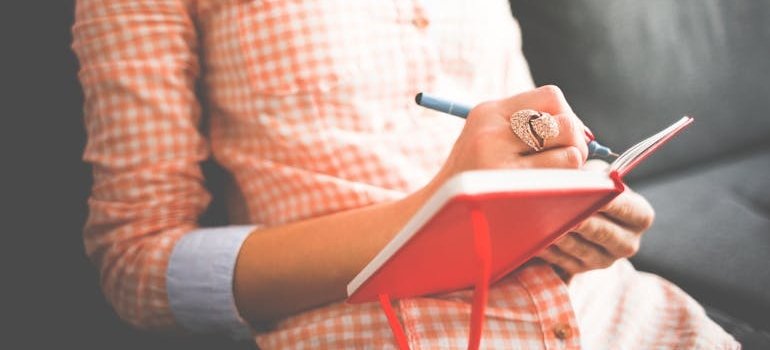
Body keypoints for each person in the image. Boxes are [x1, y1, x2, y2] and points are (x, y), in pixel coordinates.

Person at [72, 0, 738, 348]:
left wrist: (575, 208)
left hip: (625, 317)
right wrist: (436, 213)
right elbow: (136, 267)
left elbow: (525, 134)